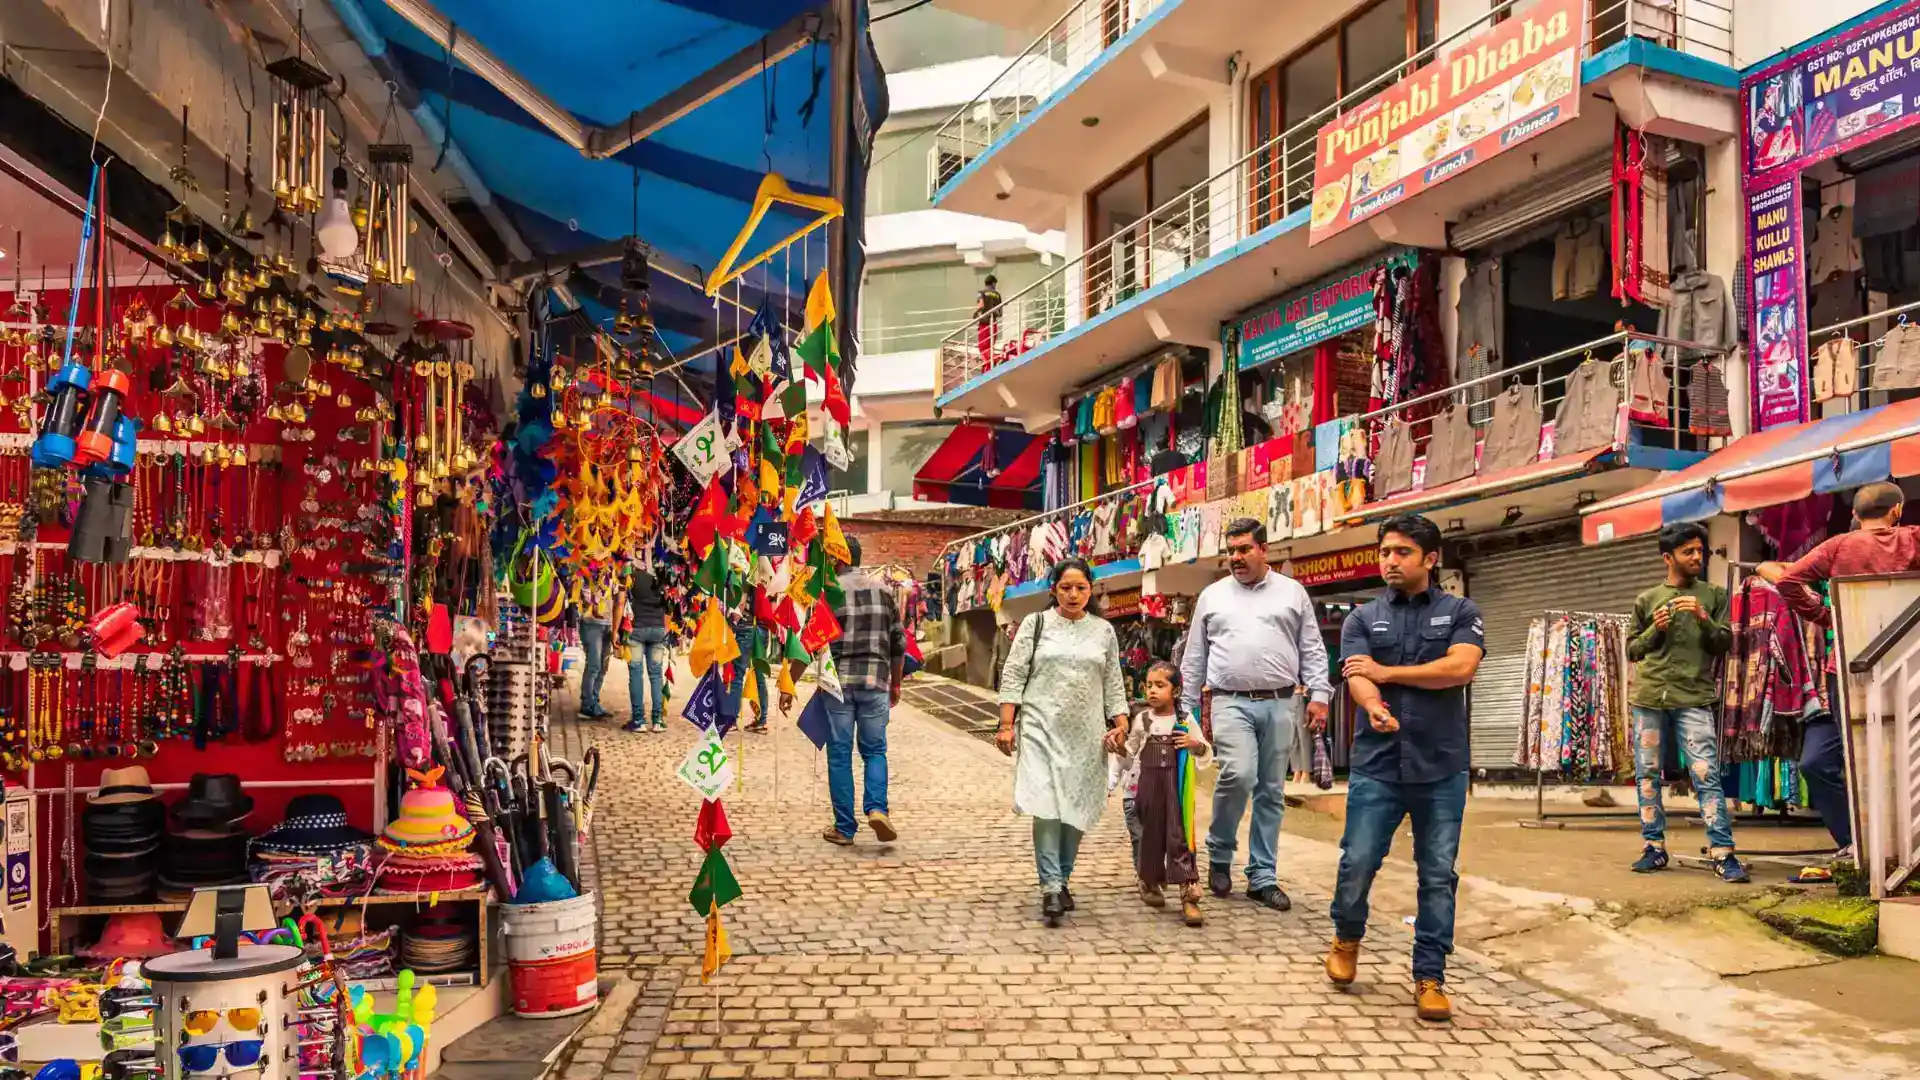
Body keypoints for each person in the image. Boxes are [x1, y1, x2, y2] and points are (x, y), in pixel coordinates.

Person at [1328, 514, 1483, 1024]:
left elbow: (1460, 668)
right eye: (1384, 552)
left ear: (1431, 559)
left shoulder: (1460, 611)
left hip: (1442, 765)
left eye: (1401, 553)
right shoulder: (1361, 619)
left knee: (1437, 876)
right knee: (1358, 862)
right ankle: (1347, 937)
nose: (1389, 561)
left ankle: (1430, 976)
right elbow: (1356, 676)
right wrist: (1373, 702)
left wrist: (1387, 673)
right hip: (1377, 763)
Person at [1756, 481, 1920, 856]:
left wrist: (1826, 617)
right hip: (1899, 663)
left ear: (1853, 515)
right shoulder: (1911, 539)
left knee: (1835, 759)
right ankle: (1862, 843)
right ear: (1896, 511)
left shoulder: (1837, 547)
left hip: (1845, 668)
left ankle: (1860, 842)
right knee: (1887, 753)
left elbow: (1789, 581)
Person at [1178, 517, 1330, 911]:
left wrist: (1320, 694)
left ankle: (1262, 876)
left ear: (1265, 549)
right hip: (1229, 701)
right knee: (1238, 773)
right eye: (1231, 550)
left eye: (1244, 549)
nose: (1236, 557)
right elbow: (1195, 656)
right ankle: (1221, 852)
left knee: (1271, 790)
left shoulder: (1292, 593)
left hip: (1282, 702)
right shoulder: (1212, 596)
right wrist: (1185, 707)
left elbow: (1312, 647)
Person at [996, 559, 1129, 927]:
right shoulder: (1034, 625)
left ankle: (1063, 876)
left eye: (1081, 588)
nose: (1073, 594)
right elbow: (1014, 672)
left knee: (1076, 807)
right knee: (1046, 804)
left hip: (1086, 735)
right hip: (1040, 728)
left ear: (1091, 590)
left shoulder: (1103, 631)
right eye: (1066, 587)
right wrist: (1007, 723)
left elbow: (1114, 681)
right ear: (1053, 588)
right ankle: (1051, 885)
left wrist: (1121, 722)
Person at [1625, 523, 1746, 882]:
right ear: (1668, 558)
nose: (1697, 557)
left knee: (1705, 773)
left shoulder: (1713, 596)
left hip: (1694, 695)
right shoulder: (1646, 599)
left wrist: (1704, 618)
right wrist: (1654, 629)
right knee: (1647, 775)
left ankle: (1722, 853)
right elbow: (1633, 649)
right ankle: (1654, 847)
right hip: (1649, 697)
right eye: (1688, 552)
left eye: (1700, 551)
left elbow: (1725, 643)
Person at [784, 535, 906, 846]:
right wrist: (895, 682)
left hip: (837, 685)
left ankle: (845, 828)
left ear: (837, 559)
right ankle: (877, 809)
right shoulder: (884, 591)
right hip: (875, 682)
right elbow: (898, 643)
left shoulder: (828, 595)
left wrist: (789, 684)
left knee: (840, 754)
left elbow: (808, 643)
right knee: (875, 750)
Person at [1113, 661, 1209, 927]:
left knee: (1178, 836)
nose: (1152, 691)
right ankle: (1149, 882)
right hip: (1148, 785)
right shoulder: (1142, 720)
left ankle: (1188, 894)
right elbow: (1131, 753)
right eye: (1149, 686)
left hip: (1175, 789)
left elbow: (1204, 751)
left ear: (1176, 691)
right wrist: (1118, 752)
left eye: (1160, 685)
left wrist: (1194, 744)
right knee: (1151, 836)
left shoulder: (1184, 720)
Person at [623, 557, 671, 733]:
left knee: (636, 674)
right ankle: (657, 720)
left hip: (636, 630)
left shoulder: (632, 576)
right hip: (658, 630)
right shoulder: (662, 575)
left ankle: (638, 720)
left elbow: (622, 601)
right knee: (656, 675)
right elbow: (669, 605)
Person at [576, 568, 617, 721]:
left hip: (608, 624)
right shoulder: (588, 571)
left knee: (603, 667)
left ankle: (594, 700)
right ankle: (587, 705)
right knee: (594, 665)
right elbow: (586, 598)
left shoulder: (614, 571)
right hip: (592, 624)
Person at [975, 274, 1002, 363]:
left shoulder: (981, 293)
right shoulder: (997, 295)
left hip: (984, 323)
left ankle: (990, 363)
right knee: (990, 346)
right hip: (993, 323)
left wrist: (975, 313)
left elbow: (981, 305)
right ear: (993, 283)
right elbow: (1000, 313)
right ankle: (992, 362)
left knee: (983, 347)